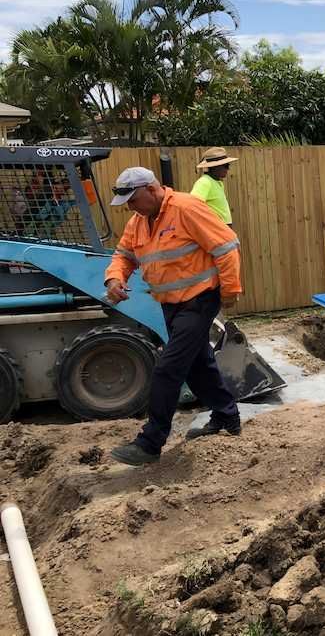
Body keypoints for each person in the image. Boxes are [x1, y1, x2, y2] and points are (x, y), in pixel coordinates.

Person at [104, 167, 243, 466]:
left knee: (168, 368)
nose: (130, 206)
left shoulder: (186, 208)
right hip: (170, 304)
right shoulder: (138, 221)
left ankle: (150, 442)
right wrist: (114, 279)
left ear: (152, 190)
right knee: (198, 365)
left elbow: (227, 247)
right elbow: (123, 256)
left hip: (200, 300)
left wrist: (229, 291)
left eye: (133, 199)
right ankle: (227, 417)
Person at [191, 147, 239, 227]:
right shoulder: (204, 182)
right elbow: (193, 206)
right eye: (226, 166)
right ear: (215, 167)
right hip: (216, 231)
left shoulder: (217, 182)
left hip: (223, 230)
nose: (228, 169)